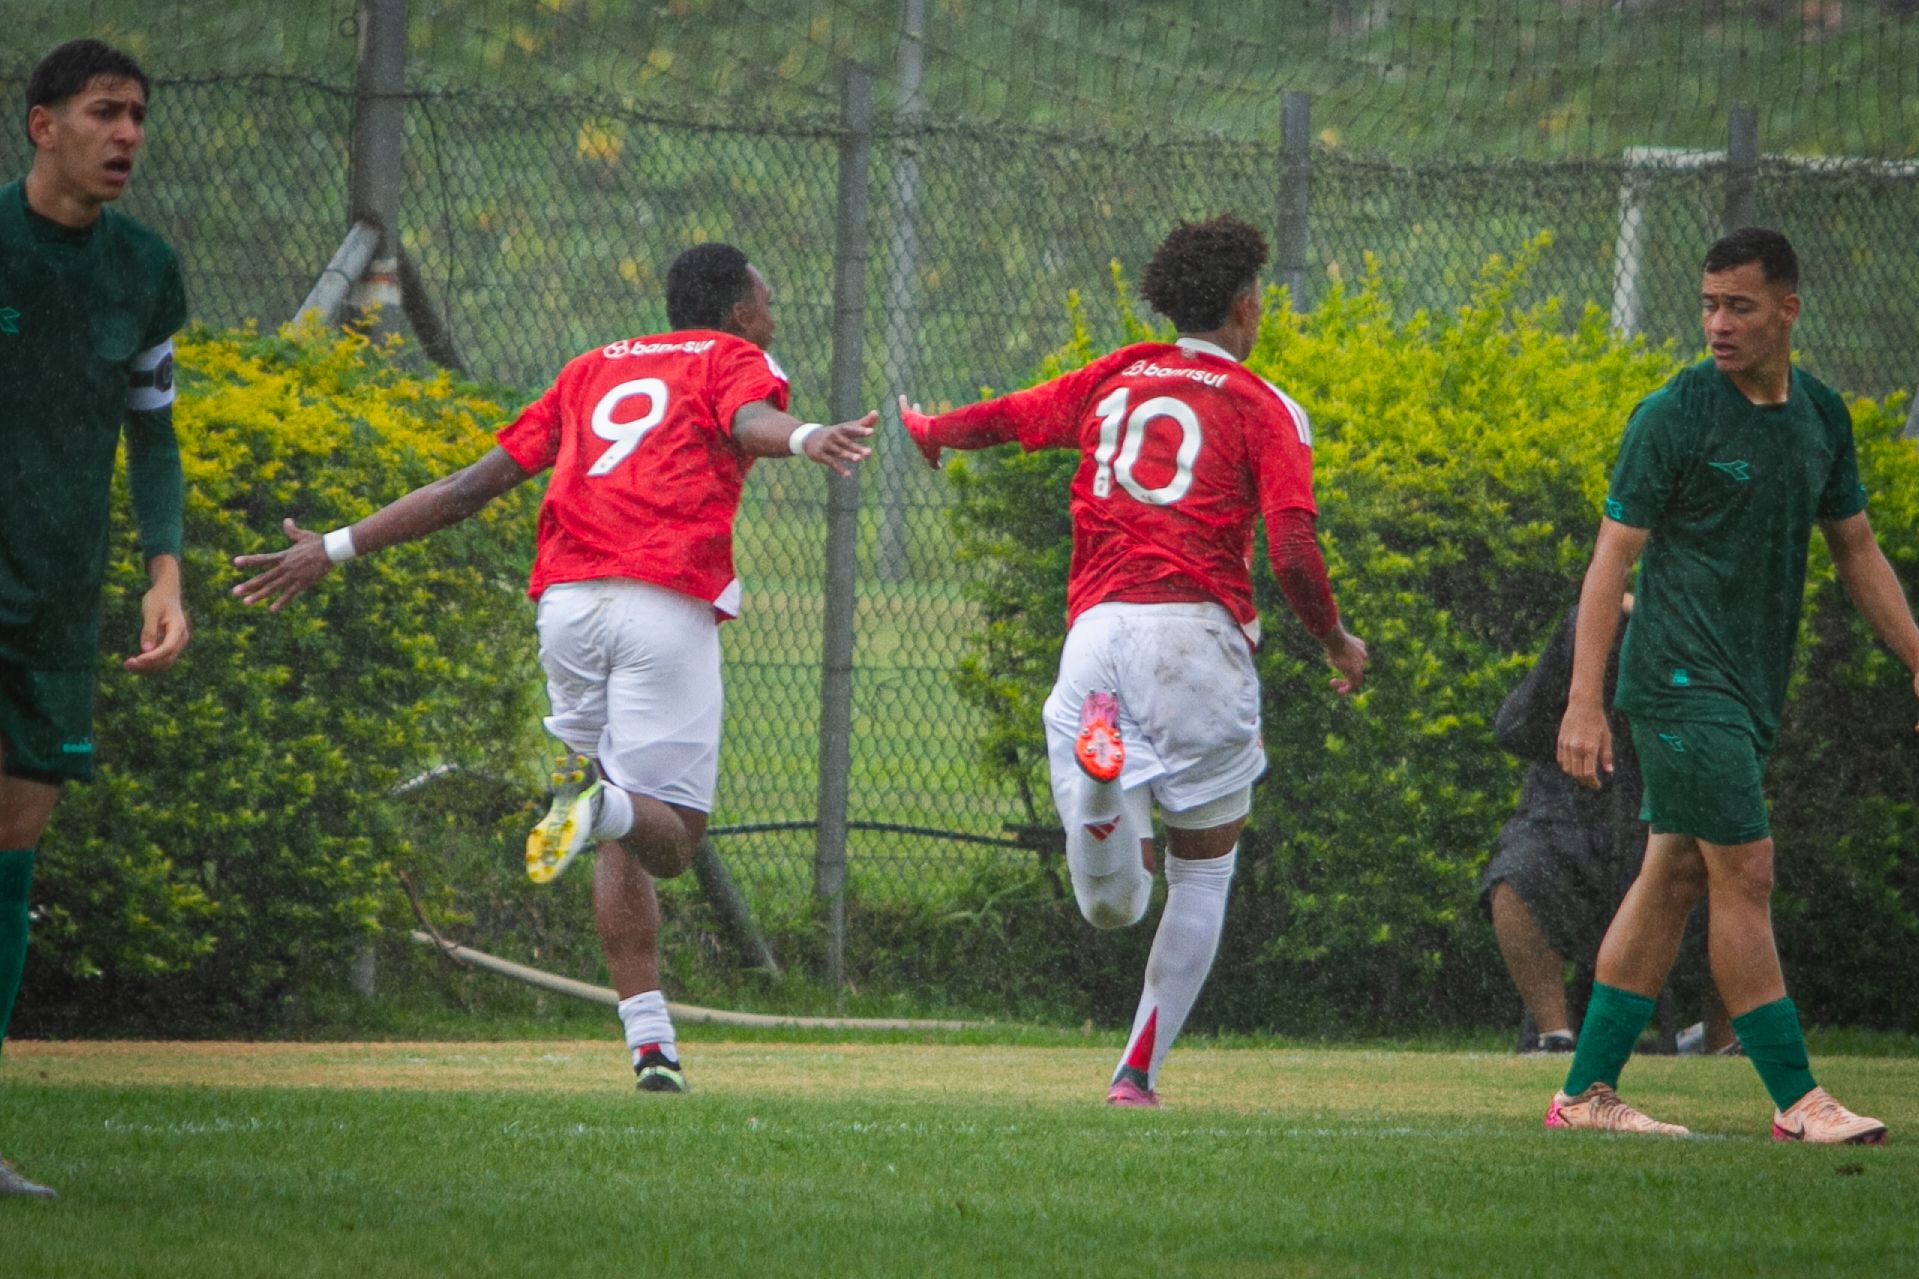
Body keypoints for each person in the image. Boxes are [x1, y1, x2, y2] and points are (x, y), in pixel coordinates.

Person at [234, 243, 876, 1095]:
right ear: (735, 312)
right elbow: (747, 421)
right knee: (672, 838)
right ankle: (597, 801)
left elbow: (468, 489)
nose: (773, 311)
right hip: (661, 600)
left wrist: (336, 546)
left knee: (619, 824)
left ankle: (650, 1044)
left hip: (567, 607)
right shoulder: (732, 358)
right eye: (767, 297)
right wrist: (806, 436)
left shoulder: (589, 368)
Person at [899, 214, 1368, 1107]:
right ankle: (1134, 1074)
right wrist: (1334, 640)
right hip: (1195, 640)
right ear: (1244, 305)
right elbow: (1292, 549)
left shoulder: (1116, 376)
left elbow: (1008, 417)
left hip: (1097, 636)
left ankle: (1103, 787)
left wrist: (933, 431)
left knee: (1111, 904)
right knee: (1202, 871)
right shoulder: (1264, 405)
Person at [1549, 227, 1919, 1143]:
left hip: (1748, 689)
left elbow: (1856, 547)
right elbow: (1609, 560)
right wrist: (1583, 700)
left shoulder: (1821, 415)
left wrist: (1917, 653)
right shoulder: (1672, 414)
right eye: (1708, 305)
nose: (1717, 323)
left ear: (1787, 311)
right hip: (1678, 681)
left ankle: (1585, 1092)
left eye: (1739, 307)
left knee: (1673, 871)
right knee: (1745, 871)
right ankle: (1798, 1099)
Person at [0, 39, 190, 1201]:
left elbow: (153, 430)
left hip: (60, 599)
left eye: (138, 116)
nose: (126, 135)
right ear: (43, 125)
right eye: (104, 112)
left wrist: (165, 573)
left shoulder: (145, 269)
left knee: (11, 853)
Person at [1483, 597, 1732, 1056]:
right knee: (1518, 870)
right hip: (1570, 810)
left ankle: (1724, 1044)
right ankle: (1554, 1036)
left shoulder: (1711, 626)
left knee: (1733, 871)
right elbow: (1514, 728)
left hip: (1669, 804)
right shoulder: (1589, 620)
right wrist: (1574, 732)